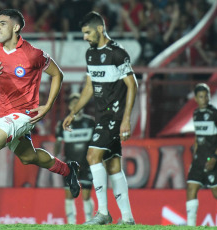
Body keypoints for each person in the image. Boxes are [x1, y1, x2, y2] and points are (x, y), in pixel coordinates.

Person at [0, 9, 81, 218]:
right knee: (29, 157)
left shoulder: (32, 54)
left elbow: (58, 74)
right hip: (6, 115)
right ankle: (68, 170)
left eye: (2, 23)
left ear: (16, 27)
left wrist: (47, 106)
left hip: (25, 114)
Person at [63, 11, 137, 225]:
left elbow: (133, 85)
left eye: (87, 33)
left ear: (99, 29)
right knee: (114, 166)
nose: (85, 37)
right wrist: (74, 111)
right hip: (101, 117)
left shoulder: (117, 53)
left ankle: (103, 212)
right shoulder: (91, 54)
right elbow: (89, 86)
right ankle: (128, 218)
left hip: (113, 117)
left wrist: (126, 119)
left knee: (93, 156)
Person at [54, 93, 95, 224]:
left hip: (87, 164)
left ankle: (89, 222)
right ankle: (71, 223)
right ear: (70, 106)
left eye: (79, 103)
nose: (76, 105)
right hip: (70, 165)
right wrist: (56, 158)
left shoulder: (90, 122)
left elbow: (97, 142)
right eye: (73, 103)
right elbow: (58, 142)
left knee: (86, 195)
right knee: (69, 194)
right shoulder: (63, 123)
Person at [186, 83, 217, 226]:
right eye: (201, 96)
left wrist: (215, 157)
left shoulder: (215, 114)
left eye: (206, 95)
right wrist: (195, 155)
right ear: (196, 98)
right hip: (199, 159)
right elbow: (197, 137)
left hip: (213, 158)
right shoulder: (196, 114)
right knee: (191, 188)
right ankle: (190, 225)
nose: (204, 99)